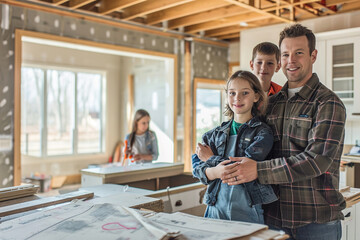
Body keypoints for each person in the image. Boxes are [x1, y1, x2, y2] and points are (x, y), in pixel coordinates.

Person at [221, 24, 346, 240]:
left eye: (299, 53)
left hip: (315, 222)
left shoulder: (328, 103)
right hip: (273, 219)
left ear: (313, 55)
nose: (291, 60)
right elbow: (245, 139)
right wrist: (209, 158)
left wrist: (259, 170)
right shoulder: (271, 103)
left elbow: (316, 160)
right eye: (286, 54)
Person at [192, 70, 277, 224]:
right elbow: (196, 167)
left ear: (256, 96)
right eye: (232, 93)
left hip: (248, 210)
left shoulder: (263, 133)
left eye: (244, 93)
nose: (237, 98)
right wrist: (214, 172)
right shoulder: (213, 134)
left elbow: (242, 168)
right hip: (215, 210)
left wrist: (211, 159)